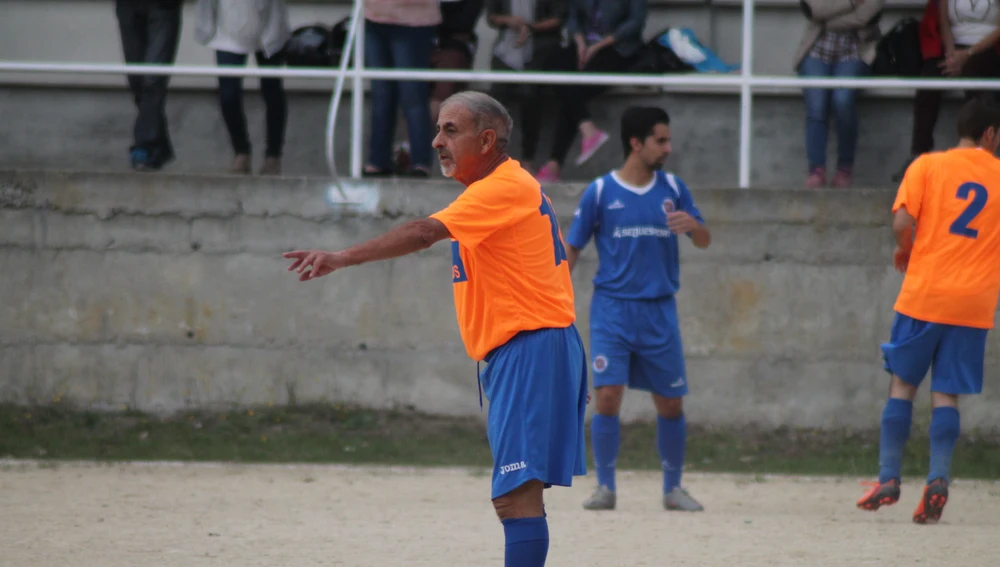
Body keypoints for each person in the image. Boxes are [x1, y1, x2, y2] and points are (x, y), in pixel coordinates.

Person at [284, 91, 588, 566]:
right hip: (534, 350)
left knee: (516, 497)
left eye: (451, 130)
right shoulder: (504, 188)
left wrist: (340, 257)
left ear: (487, 140)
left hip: (533, 348)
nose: (436, 141)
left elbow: (423, 232)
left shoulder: (501, 187)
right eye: (438, 129)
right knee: (517, 497)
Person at [857, 98, 1000, 524]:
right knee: (947, 393)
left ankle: (888, 478)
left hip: (925, 293)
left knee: (903, 384)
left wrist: (908, 250)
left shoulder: (926, 166)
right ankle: (938, 480)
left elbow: (903, 223)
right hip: (974, 301)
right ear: (991, 134)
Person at [564, 106, 711, 512]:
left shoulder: (673, 188)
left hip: (659, 311)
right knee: (608, 396)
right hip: (612, 310)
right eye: (660, 140)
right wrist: (554, 290)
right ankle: (605, 488)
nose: (668, 147)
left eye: (667, 139)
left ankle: (673, 489)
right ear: (636, 143)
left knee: (670, 402)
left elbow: (703, 240)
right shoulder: (600, 191)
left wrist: (695, 227)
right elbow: (572, 246)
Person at [534, 0, 648, 183]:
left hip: (617, 48)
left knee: (573, 89)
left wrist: (598, 46)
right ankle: (588, 129)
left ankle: (554, 164)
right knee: (552, 65)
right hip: (584, 44)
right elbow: (573, 18)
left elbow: (635, 23)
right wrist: (580, 43)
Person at [891, 0, 1000, 182]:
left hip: (988, 49)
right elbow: (943, 20)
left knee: (975, 80)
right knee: (929, 81)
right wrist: (951, 54)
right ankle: (918, 155)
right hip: (955, 48)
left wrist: (968, 54)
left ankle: (977, 157)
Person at [194, 0, 291, 175]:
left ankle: (273, 156)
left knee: (272, 91)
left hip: (269, 25)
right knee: (228, 95)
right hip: (227, 29)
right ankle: (241, 151)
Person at [794, 0, 884, 188]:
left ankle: (844, 168)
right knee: (816, 104)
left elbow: (865, 17)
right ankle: (816, 169)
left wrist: (829, 17)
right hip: (816, 53)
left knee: (843, 101)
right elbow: (815, 9)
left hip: (854, 53)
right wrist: (852, 2)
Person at [487, 0, 569, 173]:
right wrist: (510, 21)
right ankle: (493, 158)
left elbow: (558, 18)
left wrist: (529, 27)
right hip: (507, 50)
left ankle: (527, 160)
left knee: (530, 97)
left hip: (540, 50)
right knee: (495, 101)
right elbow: (491, 17)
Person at [363, 0, 440, 178]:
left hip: (413, 20)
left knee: (412, 94)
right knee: (381, 94)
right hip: (374, 17)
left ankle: (420, 163)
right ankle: (378, 160)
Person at [114, 0, 183, 172]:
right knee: (136, 78)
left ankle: (144, 145)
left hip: (163, 7)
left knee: (153, 79)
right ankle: (158, 148)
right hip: (127, 6)